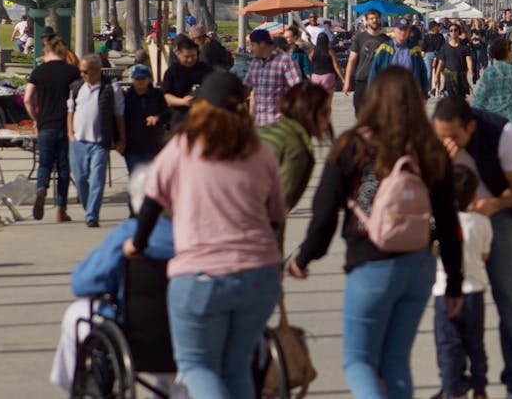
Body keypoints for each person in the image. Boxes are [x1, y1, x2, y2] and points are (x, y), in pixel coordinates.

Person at [289, 68, 463, 399]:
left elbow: (324, 211)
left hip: (371, 265)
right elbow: (447, 219)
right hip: (419, 266)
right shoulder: (430, 149)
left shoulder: (353, 145)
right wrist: (454, 280)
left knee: (359, 361)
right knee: (396, 361)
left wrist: (305, 256)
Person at [125, 71, 286, 399]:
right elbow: (276, 217)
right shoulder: (259, 151)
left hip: (202, 276)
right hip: (259, 276)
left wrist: (137, 244)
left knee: (197, 365)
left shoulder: (183, 147)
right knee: (238, 366)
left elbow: (153, 201)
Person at [432, 97, 512, 399]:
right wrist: (441, 166)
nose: (446, 141)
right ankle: (454, 382)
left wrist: (493, 204)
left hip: (499, 215)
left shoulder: (502, 134)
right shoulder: (432, 135)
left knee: (510, 300)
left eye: (453, 136)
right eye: (441, 136)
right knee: (449, 302)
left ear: (471, 126)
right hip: (451, 217)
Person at [50, 164, 182, 397]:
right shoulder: (192, 234)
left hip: (133, 334)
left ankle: (83, 388)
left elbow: (83, 283)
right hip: (185, 330)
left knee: (76, 313)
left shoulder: (127, 233)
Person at [433, 165, 492, 399]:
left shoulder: (438, 222)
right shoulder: (482, 223)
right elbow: (484, 256)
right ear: (474, 194)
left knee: (448, 347)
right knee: (475, 345)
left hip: (443, 293)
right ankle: (479, 389)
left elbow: (432, 252)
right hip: (474, 292)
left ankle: (451, 389)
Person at [258, 81, 331, 251]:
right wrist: (276, 259)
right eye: (325, 113)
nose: (328, 121)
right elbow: (276, 209)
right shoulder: (296, 148)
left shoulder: (270, 131)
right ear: (309, 113)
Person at [25, 37, 82, 222]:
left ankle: (41, 188)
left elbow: (27, 99)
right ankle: (61, 209)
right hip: (66, 126)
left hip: (45, 126)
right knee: (64, 168)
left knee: (44, 164)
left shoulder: (38, 72)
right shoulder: (72, 72)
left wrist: (36, 119)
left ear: (46, 51)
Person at [67, 54, 126, 228]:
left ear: (97, 70)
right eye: (81, 72)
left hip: (100, 141)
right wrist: (70, 133)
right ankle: (88, 209)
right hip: (78, 141)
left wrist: (121, 138)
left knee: (97, 180)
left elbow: (119, 114)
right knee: (80, 179)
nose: (83, 75)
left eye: (86, 72)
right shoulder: (77, 87)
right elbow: (70, 111)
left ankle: (92, 215)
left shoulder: (110, 87)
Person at [473, 38, 512, 144]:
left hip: (493, 123)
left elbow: (479, 99)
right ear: (506, 53)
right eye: (511, 51)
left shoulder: (488, 73)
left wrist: (475, 120)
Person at [244, 28, 303, 127]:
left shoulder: (285, 61)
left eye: (253, 45)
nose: (251, 49)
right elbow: (245, 88)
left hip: (280, 124)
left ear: (262, 44)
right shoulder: (255, 63)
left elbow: (298, 90)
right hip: (259, 123)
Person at [121, 63, 169, 178]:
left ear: (149, 79)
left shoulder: (157, 95)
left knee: (151, 179)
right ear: (132, 80)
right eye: (137, 79)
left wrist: (158, 118)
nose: (140, 81)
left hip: (153, 146)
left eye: (143, 78)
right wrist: (119, 140)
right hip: (132, 148)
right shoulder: (126, 97)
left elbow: (168, 113)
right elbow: (118, 119)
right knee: (136, 179)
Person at [343, 8, 390, 112]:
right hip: (362, 78)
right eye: (371, 18)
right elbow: (352, 60)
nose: (374, 20)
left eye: (376, 18)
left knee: (379, 113)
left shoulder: (386, 40)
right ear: (366, 20)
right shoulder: (359, 38)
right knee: (360, 111)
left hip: (380, 80)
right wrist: (346, 82)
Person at [161, 34, 212, 130]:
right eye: (186, 57)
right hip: (179, 119)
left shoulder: (206, 69)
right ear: (178, 54)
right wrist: (182, 102)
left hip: (202, 119)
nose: (190, 60)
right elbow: (166, 96)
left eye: (193, 56)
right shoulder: (172, 72)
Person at [370, 16, 430, 95]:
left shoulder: (414, 49)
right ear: (394, 30)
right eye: (400, 29)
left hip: (409, 93)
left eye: (405, 29)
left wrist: (425, 93)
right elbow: (374, 71)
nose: (403, 32)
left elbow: (422, 71)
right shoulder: (385, 49)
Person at [436, 21, 475, 99]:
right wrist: (437, 76)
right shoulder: (444, 47)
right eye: (451, 30)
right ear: (449, 33)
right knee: (452, 99)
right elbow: (441, 62)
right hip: (449, 76)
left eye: (455, 30)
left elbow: (469, 60)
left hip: (461, 76)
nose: (453, 32)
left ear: (458, 32)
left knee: (461, 99)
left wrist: (471, 70)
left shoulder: (465, 47)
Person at [309, 31, 345, 97]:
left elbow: (310, 63)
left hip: (315, 76)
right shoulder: (330, 51)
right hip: (328, 76)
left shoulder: (313, 52)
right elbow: (336, 66)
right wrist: (343, 78)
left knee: (317, 101)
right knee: (327, 101)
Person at [422, 21, 445, 92]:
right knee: (428, 73)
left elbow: (443, 46)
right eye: (436, 26)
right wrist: (422, 56)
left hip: (438, 54)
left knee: (437, 73)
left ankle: (438, 89)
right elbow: (424, 48)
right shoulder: (427, 36)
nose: (438, 27)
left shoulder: (440, 36)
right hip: (429, 55)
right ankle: (428, 89)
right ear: (433, 27)